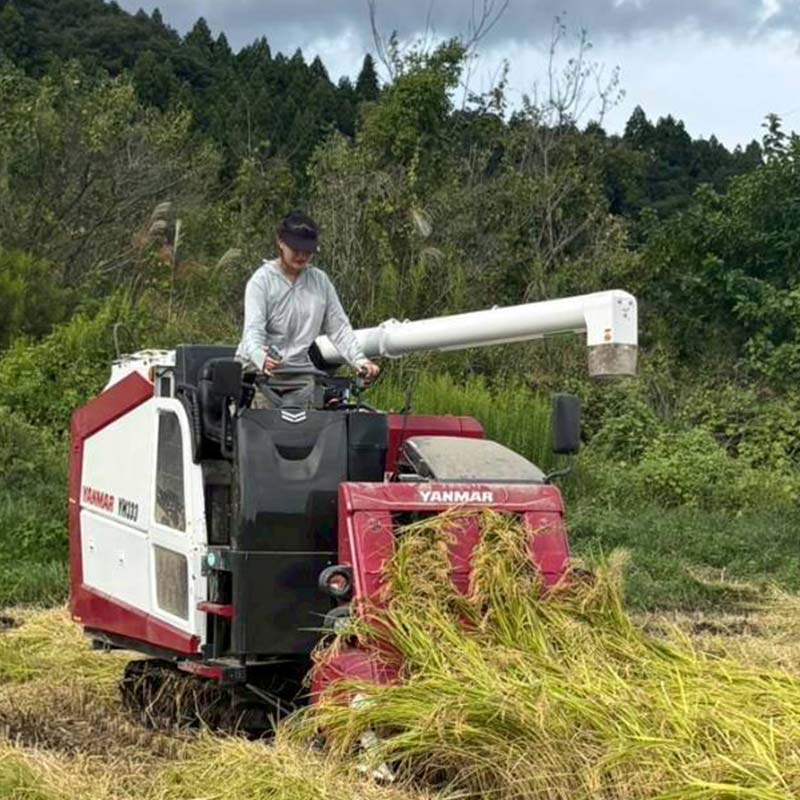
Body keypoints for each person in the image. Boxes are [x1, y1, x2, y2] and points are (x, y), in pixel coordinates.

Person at [236, 211, 380, 409]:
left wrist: (359, 361)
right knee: (266, 425)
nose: (302, 256)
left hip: (299, 373)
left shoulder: (320, 282)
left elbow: (339, 328)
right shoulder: (261, 282)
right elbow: (252, 332)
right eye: (296, 249)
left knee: (305, 428)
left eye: (308, 251)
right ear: (281, 242)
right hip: (259, 373)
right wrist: (261, 358)